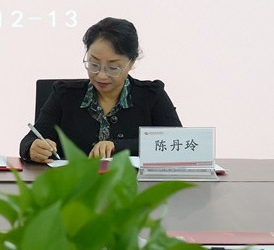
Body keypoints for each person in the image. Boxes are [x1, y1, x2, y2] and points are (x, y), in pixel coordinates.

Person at [20, 17, 181, 162]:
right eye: (94, 64)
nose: (101, 75)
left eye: (113, 67)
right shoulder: (64, 95)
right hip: (74, 185)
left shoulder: (152, 95)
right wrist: (32, 148)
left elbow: (178, 143)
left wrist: (117, 146)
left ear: (131, 63)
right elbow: (29, 140)